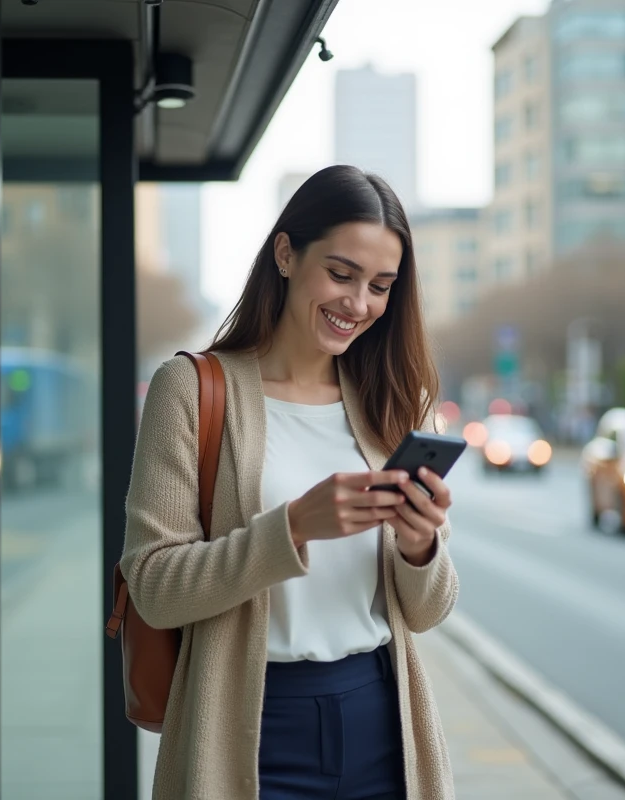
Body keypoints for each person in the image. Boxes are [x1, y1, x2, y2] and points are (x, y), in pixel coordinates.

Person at [120, 165, 459, 800]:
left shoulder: (392, 402)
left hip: (382, 723)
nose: (358, 304)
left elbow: (429, 610)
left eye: (381, 286)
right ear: (285, 254)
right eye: (341, 274)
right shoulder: (190, 391)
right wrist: (294, 527)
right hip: (249, 728)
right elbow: (155, 587)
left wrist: (421, 547)